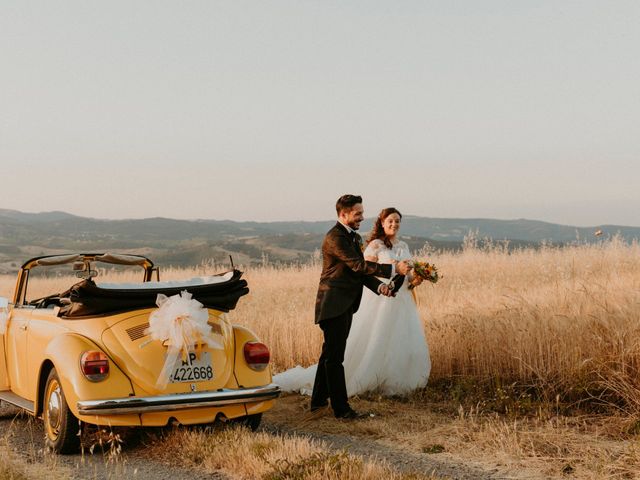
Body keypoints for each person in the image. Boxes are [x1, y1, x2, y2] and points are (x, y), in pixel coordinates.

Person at [274, 206, 431, 403]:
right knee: (351, 349)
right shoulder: (358, 242)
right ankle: (338, 403)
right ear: (382, 223)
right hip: (368, 304)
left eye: (397, 221)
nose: (394, 224)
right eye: (390, 220)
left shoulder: (400, 245)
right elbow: (361, 269)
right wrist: (390, 274)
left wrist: (414, 278)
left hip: (398, 300)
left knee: (396, 342)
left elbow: (403, 275)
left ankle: (325, 400)